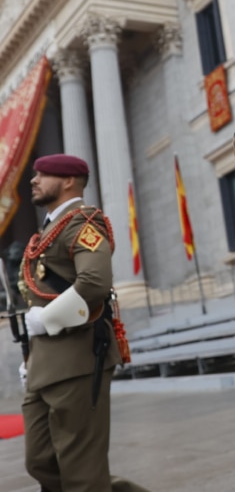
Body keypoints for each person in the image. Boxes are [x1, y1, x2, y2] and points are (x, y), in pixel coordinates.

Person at [18, 154, 150, 492]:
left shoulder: (82, 223)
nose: (34, 180)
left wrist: (43, 320)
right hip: (45, 363)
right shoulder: (50, 230)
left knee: (80, 469)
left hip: (77, 358)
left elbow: (94, 282)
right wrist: (33, 357)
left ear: (68, 181)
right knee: (40, 461)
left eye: (43, 174)